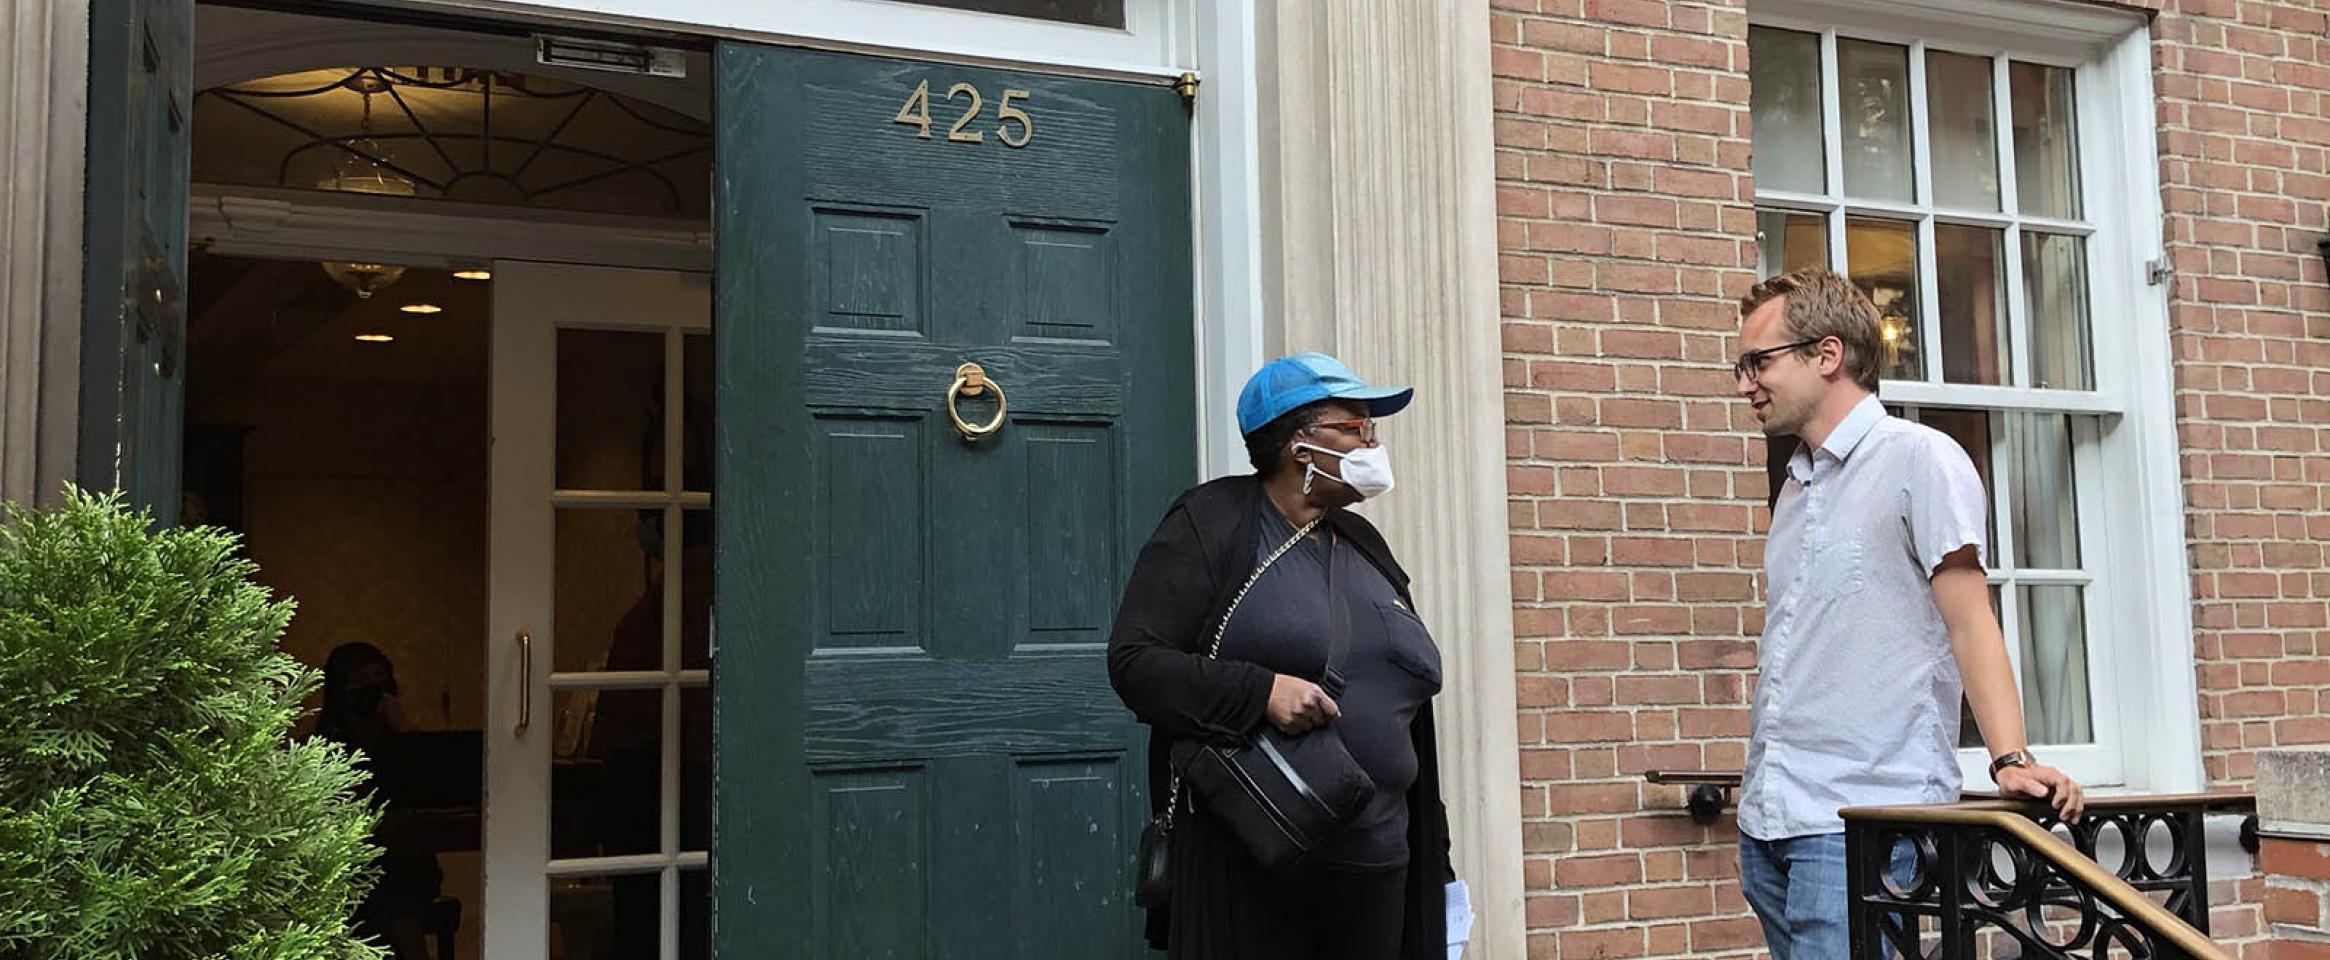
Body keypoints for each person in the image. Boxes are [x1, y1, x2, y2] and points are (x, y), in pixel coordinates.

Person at [1730, 268, 2086, 958]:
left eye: (1758, 362)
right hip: (1769, 821)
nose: (1745, 382)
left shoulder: (1919, 459)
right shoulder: (1796, 489)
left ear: (1826, 355)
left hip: (1861, 821)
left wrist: (2009, 756)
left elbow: (1968, 619)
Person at [1108, 352, 1455, 960]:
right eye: (1356, 428)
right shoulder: (1212, 522)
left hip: (1381, 863)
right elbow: (1136, 662)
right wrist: (1261, 692)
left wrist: (1440, 862)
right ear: (1299, 444)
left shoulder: (1363, 542)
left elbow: (1408, 713)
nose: (1374, 443)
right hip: (1262, 864)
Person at [316, 642, 445, 960]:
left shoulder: (401, 744)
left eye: (380, 679)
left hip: (408, 863)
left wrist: (403, 732)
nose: (373, 691)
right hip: (349, 865)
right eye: (360, 682)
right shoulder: (326, 748)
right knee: (376, 889)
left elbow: (431, 792)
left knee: (398, 880)